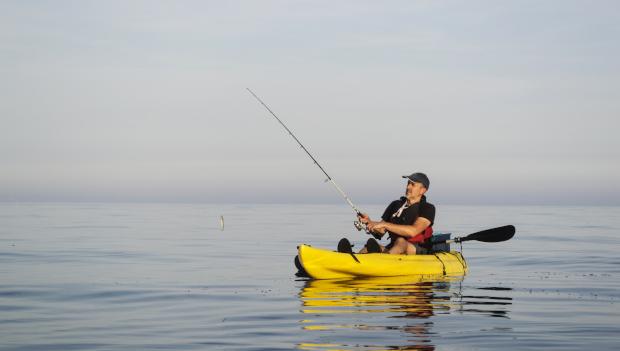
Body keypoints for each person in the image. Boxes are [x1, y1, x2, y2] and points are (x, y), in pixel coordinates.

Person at [347, 172, 435, 255]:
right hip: (395, 248)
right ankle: (351, 259)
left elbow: (413, 231)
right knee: (366, 249)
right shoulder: (395, 205)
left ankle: (383, 262)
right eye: (408, 183)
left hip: (417, 249)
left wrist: (385, 225)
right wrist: (369, 222)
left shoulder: (427, 208)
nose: (408, 187)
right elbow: (381, 231)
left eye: (413, 185)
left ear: (422, 190)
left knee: (401, 241)